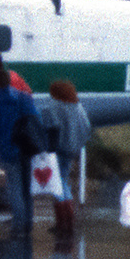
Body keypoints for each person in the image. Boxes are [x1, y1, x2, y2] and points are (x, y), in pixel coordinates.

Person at [0, 67, 40, 233]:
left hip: (7, 149)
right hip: (27, 147)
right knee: (27, 188)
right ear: (10, 80)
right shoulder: (23, 97)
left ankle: (18, 226)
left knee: (15, 189)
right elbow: (35, 118)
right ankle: (28, 224)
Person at [40, 80, 92, 234]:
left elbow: (49, 127)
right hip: (72, 149)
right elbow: (87, 127)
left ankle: (63, 221)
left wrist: (47, 148)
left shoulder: (52, 107)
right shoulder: (78, 107)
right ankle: (68, 220)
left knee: (59, 182)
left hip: (57, 150)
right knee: (63, 180)